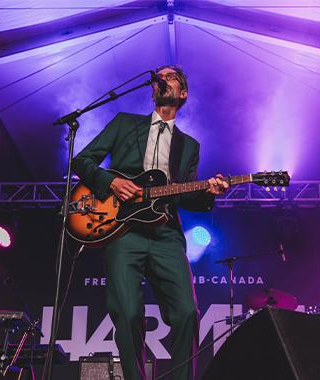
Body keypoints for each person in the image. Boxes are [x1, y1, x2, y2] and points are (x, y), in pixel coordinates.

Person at [72, 65, 229, 380]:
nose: (164, 78)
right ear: (153, 89)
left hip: (165, 233)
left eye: (172, 76)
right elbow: (82, 161)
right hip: (122, 230)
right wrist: (111, 182)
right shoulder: (125, 124)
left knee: (186, 312)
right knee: (127, 313)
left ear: (182, 93)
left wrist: (211, 192)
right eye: (160, 76)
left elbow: (185, 196)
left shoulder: (189, 146)